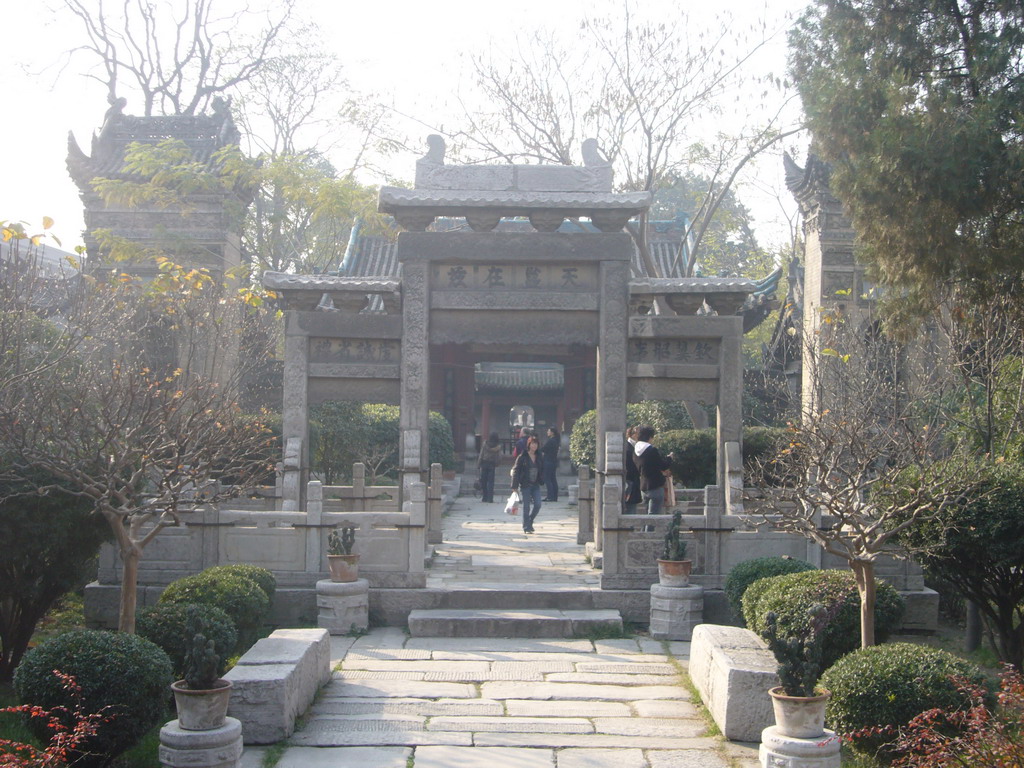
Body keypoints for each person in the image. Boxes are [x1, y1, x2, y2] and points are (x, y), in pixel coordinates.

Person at [633, 425, 675, 516]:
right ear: (650, 437)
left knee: (646, 516)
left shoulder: (635, 450)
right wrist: (669, 458)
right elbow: (663, 466)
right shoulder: (651, 450)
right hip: (655, 486)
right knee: (653, 517)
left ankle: (644, 531)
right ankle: (649, 531)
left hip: (643, 487)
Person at [511, 435, 544, 534]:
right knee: (526, 506)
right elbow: (516, 471)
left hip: (535, 484)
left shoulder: (539, 456)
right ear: (529, 445)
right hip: (525, 484)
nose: (534, 446)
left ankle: (530, 520)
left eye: (536, 444)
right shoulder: (522, 457)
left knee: (538, 504)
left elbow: (543, 469)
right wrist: (514, 486)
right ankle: (526, 526)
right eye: (532, 444)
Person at [477, 431, 501, 503]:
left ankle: (484, 497)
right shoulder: (497, 446)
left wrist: (478, 464)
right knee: (490, 482)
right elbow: (499, 457)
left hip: (484, 463)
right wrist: (497, 463)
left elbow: (481, 454)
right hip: (492, 464)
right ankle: (490, 498)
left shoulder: (485, 444)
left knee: (484, 481)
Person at [623, 426, 642, 513]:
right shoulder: (628, 448)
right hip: (630, 482)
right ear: (633, 435)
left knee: (632, 507)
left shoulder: (635, 447)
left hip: (633, 481)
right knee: (630, 507)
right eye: (638, 434)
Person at [541, 427, 560, 502]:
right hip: (554, 461)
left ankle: (550, 496)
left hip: (548, 461)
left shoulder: (551, 441)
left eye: (548, 431)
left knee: (547, 479)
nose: (547, 432)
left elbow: (544, 449)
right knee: (553, 479)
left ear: (552, 432)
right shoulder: (556, 440)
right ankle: (554, 496)